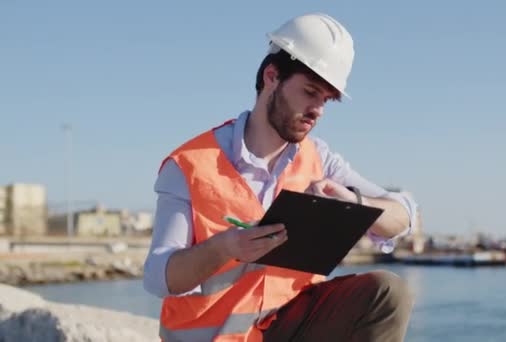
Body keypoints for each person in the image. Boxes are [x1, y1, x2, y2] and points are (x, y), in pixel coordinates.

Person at [143, 13, 418, 342]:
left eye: (326, 100)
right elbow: (158, 277)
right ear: (272, 76)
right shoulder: (189, 165)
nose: (318, 110)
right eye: (310, 92)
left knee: (387, 293)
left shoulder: (320, 159)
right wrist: (222, 248)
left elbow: (406, 213)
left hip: (289, 329)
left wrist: (356, 203)